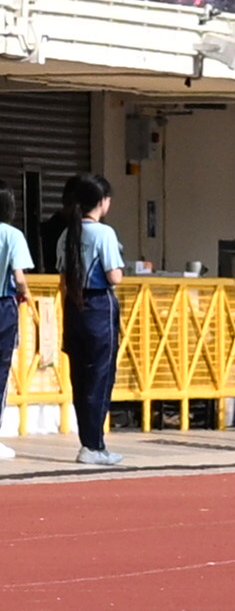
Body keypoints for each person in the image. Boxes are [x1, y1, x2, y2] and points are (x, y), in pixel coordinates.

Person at [57, 174, 124, 466]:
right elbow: (114, 276)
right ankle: (94, 445)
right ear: (102, 201)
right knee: (100, 377)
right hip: (99, 306)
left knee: (80, 379)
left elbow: (62, 279)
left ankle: (88, 442)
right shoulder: (104, 234)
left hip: (73, 307)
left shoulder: (67, 234)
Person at [0, 182, 32, 462]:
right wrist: (27, 295)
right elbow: (19, 277)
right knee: (0, 371)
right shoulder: (12, 235)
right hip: (3, 306)